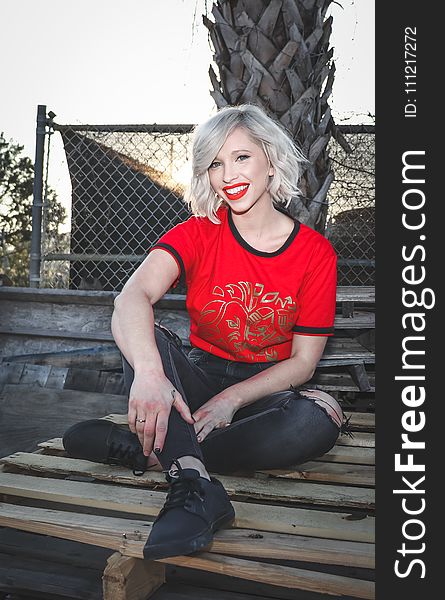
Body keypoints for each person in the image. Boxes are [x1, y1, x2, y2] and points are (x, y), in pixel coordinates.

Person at [63, 103, 347, 561]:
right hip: (193, 383)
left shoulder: (315, 254)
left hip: (263, 392)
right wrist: (152, 376)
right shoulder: (198, 232)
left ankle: (158, 454)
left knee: (316, 420)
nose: (226, 173)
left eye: (241, 157)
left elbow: (303, 362)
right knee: (142, 335)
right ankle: (194, 484)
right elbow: (130, 299)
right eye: (215, 163)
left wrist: (231, 400)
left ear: (271, 161)